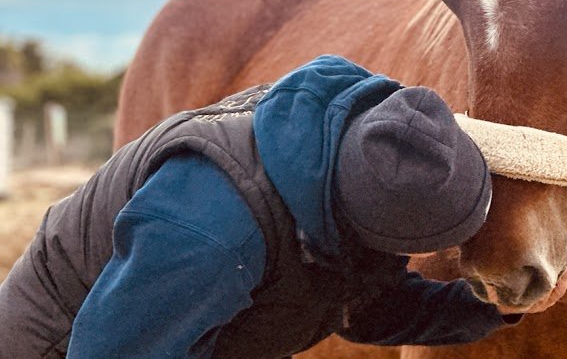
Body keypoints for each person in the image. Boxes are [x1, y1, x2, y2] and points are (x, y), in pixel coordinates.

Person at [0, 55, 521, 358]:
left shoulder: (344, 170)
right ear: (364, 225)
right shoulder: (208, 233)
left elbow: (361, 308)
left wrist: (490, 307)